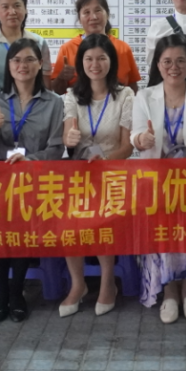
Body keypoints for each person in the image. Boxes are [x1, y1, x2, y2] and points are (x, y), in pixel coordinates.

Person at [132, 33, 186, 323]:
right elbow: (136, 136)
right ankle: (169, 292)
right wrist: (141, 140)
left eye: (181, 61)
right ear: (158, 65)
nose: (174, 67)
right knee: (161, 220)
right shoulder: (144, 97)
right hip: (155, 184)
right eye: (167, 61)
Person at [0, 38, 66, 323]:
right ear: (9, 66)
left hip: (36, 181)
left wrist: (30, 162)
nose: (22, 65)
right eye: (16, 60)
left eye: (29, 59)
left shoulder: (54, 103)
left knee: (24, 225)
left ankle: (16, 291)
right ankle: (1, 291)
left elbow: (56, 149)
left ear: (40, 64)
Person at [59, 33, 135, 317]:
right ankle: (78, 284)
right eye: (89, 59)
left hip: (114, 173)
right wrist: (70, 139)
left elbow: (127, 147)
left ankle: (107, 282)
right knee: (67, 216)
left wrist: (103, 160)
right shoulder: (71, 96)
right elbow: (68, 135)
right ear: (81, 63)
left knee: (102, 213)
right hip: (80, 174)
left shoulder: (125, 95)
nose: (95, 64)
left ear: (111, 61)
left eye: (101, 58)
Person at [50, 0, 141, 93]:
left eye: (98, 10)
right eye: (86, 12)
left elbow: (133, 86)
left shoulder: (123, 48)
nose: (93, 17)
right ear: (79, 19)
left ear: (108, 14)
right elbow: (57, 91)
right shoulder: (67, 48)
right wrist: (62, 77)